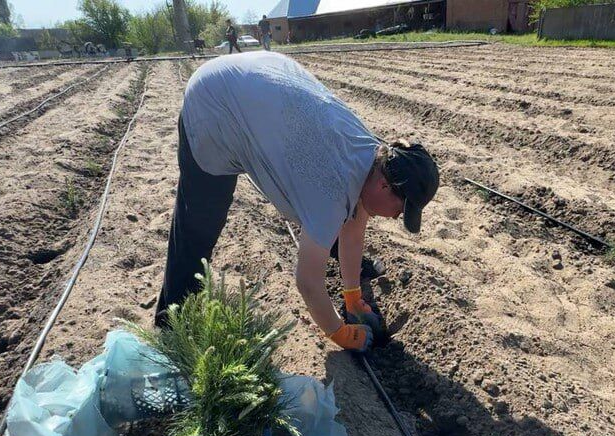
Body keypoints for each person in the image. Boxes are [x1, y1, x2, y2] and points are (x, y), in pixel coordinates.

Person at [155, 52, 439, 353]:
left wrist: (353, 297)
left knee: (328, 219)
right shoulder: (331, 193)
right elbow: (307, 281)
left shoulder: (372, 154)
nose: (396, 217)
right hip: (213, 101)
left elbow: (353, 232)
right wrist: (339, 332)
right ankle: (170, 327)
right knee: (200, 222)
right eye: (401, 209)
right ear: (384, 185)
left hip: (257, 80)